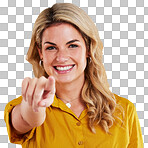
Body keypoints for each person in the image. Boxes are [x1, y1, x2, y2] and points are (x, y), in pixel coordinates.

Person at [4, 3, 143, 148]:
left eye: (72, 45)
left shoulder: (124, 110)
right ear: (41, 53)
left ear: (88, 49)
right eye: (51, 47)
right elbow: (25, 120)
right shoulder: (28, 103)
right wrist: (34, 108)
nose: (62, 57)